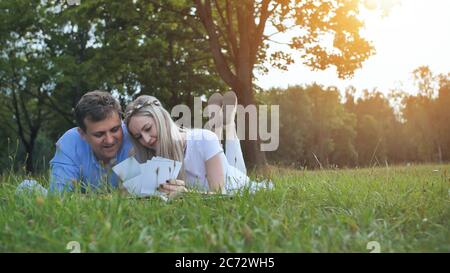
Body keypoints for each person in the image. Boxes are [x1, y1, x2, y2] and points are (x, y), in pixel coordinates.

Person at [124, 91, 252, 198]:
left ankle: (229, 125)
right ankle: (217, 124)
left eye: (148, 129)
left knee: (236, 170)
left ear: (162, 119)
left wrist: (187, 194)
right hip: (214, 160)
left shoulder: (202, 139)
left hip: (236, 186)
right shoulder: (147, 155)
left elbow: (220, 196)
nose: (146, 140)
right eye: (138, 136)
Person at [48, 90, 134, 193]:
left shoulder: (133, 136)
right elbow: (59, 196)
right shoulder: (70, 143)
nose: (109, 140)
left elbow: (143, 195)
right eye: (99, 134)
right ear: (82, 134)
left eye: (115, 130)